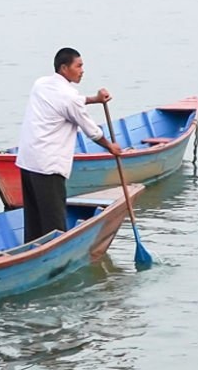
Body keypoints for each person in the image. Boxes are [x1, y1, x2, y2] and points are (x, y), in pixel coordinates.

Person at [14, 47, 121, 242]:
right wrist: (111, 147)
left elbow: (69, 102)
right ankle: (54, 259)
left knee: (34, 222)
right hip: (48, 165)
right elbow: (92, 131)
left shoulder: (41, 84)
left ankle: (32, 250)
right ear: (64, 68)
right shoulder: (69, 97)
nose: (82, 70)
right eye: (78, 66)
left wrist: (94, 100)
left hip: (28, 161)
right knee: (54, 226)